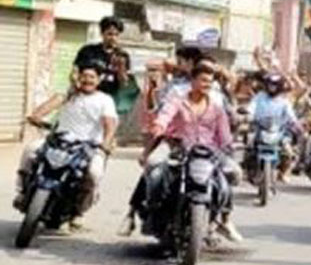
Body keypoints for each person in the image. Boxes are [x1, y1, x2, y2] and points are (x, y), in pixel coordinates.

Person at [131, 64, 242, 242]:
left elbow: (225, 136)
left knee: (233, 173)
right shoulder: (177, 100)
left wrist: (229, 147)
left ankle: (224, 219)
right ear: (193, 81)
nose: (207, 84)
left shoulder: (216, 108)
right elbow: (165, 115)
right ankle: (149, 209)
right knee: (153, 164)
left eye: (210, 82)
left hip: (208, 151)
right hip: (176, 145)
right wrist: (159, 126)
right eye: (203, 80)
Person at [15, 61, 117, 229]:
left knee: (94, 173)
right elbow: (49, 105)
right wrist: (36, 116)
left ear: (99, 80)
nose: (87, 80)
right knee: (31, 151)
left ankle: (79, 212)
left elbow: (110, 124)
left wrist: (106, 143)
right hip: (58, 140)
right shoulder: (69, 94)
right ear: (79, 77)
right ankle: (21, 192)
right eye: (84, 76)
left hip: (88, 146)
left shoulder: (105, 100)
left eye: (92, 77)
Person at [250, 73, 302, 179]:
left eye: (274, 85)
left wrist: (296, 124)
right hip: (260, 128)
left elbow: (291, 115)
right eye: (270, 85)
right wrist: (247, 114)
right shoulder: (259, 97)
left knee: (288, 151)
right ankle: (250, 169)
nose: (272, 87)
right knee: (249, 144)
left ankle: (283, 172)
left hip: (279, 131)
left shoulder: (284, 101)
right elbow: (251, 108)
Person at [74, 16, 125, 96]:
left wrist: (121, 67)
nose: (113, 38)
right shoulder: (88, 51)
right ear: (102, 33)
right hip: (85, 95)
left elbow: (124, 84)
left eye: (116, 35)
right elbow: (75, 72)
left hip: (109, 99)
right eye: (110, 34)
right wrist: (76, 85)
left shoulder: (123, 55)